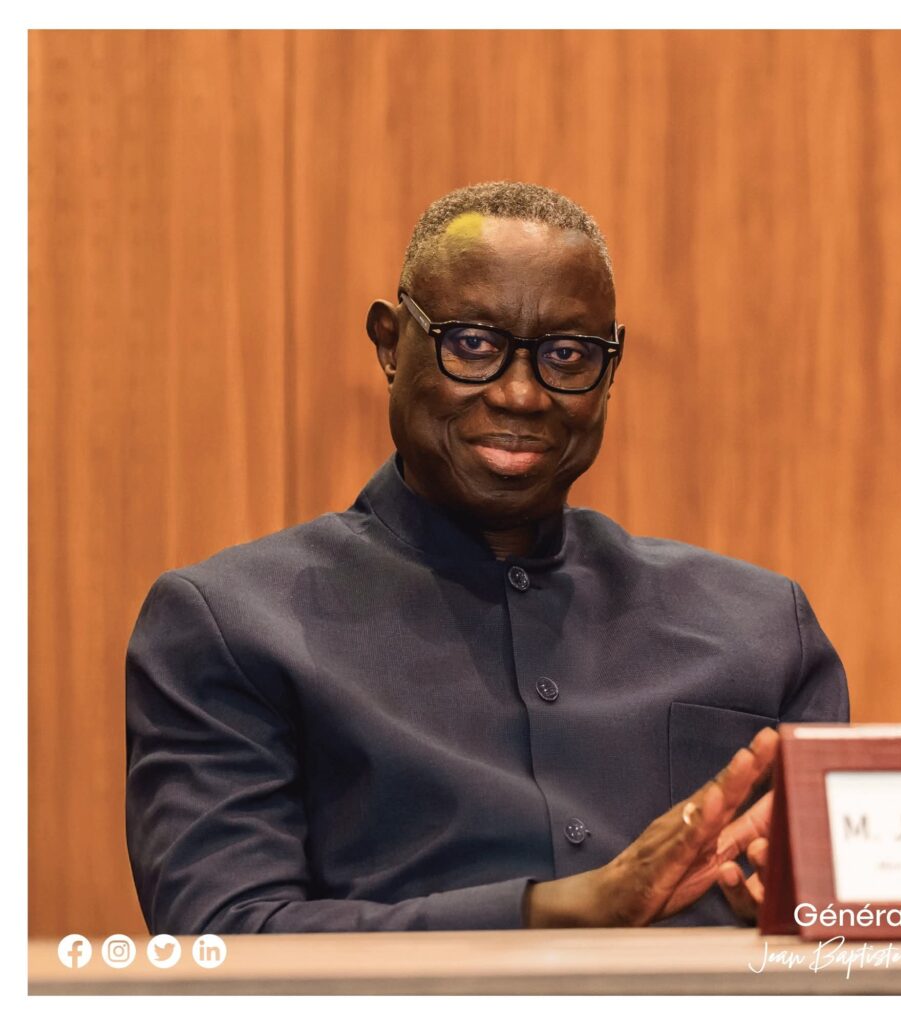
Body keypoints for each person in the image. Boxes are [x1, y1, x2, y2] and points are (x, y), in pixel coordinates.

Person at [126, 181, 848, 934]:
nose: (520, 395)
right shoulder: (232, 628)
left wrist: (810, 915)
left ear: (610, 371)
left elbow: (854, 921)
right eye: (472, 345)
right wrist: (559, 911)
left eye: (567, 355)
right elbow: (228, 938)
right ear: (389, 345)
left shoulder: (762, 630)